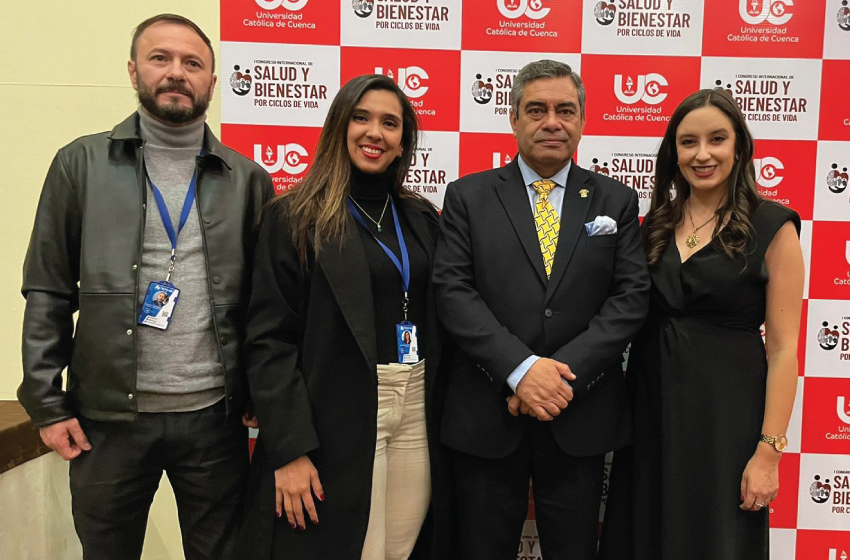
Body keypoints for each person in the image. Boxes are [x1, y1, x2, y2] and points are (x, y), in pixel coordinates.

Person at [18, 14, 274, 560]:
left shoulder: (247, 178)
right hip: (106, 421)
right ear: (134, 70)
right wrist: (46, 403)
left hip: (215, 420)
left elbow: (265, 302)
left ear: (212, 79)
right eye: (161, 58)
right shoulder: (80, 164)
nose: (176, 73)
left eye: (192, 63)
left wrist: (258, 391)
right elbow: (48, 288)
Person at [431, 59, 650, 560]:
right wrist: (522, 370)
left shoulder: (615, 200)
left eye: (565, 110)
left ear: (582, 120)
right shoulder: (468, 196)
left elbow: (630, 297)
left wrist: (557, 380)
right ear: (513, 119)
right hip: (487, 414)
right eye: (537, 109)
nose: (552, 121)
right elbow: (453, 291)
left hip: (581, 414)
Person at [242, 74, 454, 560]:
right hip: (337, 410)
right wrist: (290, 449)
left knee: (398, 549)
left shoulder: (421, 218)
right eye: (361, 118)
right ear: (339, 126)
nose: (374, 132)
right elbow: (268, 340)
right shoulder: (293, 216)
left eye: (390, 123)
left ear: (404, 143)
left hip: (417, 404)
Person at [598, 88, 804, 560]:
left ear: (739, 148)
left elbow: (784, 348)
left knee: (716, 539)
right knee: (643, 534)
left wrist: (769, 452)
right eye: (688, 142)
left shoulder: (773, 227)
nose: (702, 153)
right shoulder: (652, 225)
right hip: (649, 413)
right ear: (674, 151)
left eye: (717, 139)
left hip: (726, 422)